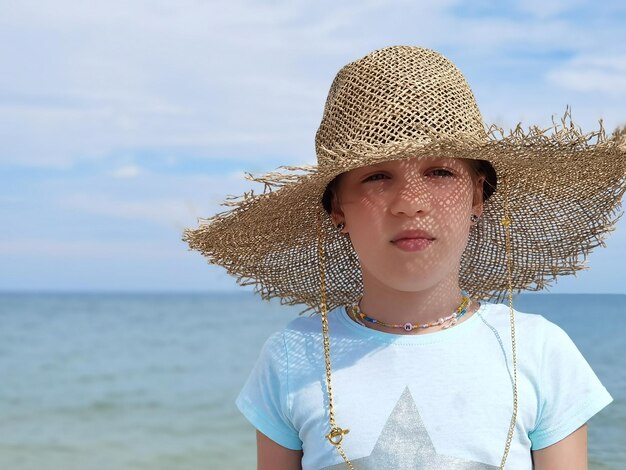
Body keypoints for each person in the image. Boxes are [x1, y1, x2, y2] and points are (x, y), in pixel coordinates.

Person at [183, 46, 625, 469]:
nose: (410, 203)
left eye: (440, 172)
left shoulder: (540, 352)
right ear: (338, 207)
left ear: (477, 194)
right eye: (377, 176)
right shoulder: (292, 357)